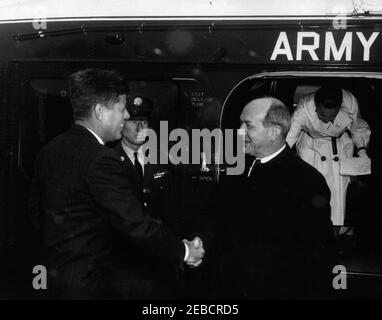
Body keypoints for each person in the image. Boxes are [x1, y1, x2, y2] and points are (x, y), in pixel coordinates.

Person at [33, 68, 204, 299]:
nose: (125, 117)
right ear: (100, 112)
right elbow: (135, 223)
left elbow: (36, 213)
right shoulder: (101, 158)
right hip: (88, 284)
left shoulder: (50, 150)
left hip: (53, 278)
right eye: (122, 109)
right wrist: (184, 251)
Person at [213, 97, 335, 299]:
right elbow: (215, 215)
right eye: (240, 123)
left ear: (274, 132)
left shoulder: (307, 182)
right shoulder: (236, 169)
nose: (239, 131)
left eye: (248, 125)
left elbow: (318, 256)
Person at [113, 95, 183, 299]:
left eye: (143, 122)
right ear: (121, 124)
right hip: (123, 260)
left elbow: (174, 208)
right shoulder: (107, 160)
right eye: (133, 122)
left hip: (159, 257)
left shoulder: (164, 158)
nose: (139, 128)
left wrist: (176, 251)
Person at [286, 85, 371, 232]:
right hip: (311, 146)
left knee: (339, 200)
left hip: (339, 145)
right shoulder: (303, 108)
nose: (327, 121)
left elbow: (358, 127)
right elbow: (289, 137)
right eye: (323, 116)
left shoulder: (350, 103)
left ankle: (335, 239)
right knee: (312, 193)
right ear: (315, 107)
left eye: (332, 117)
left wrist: (362, 150)